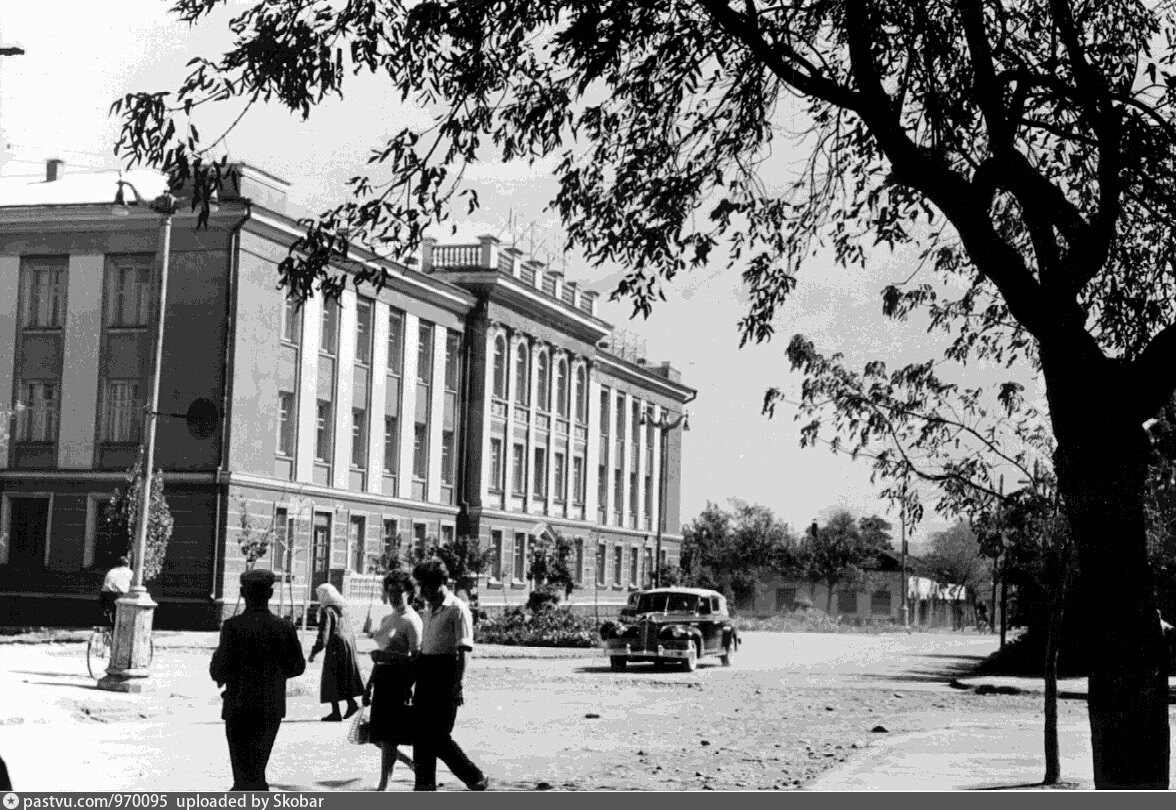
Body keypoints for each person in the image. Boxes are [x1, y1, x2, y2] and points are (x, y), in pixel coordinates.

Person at [210, 569, 306, 791]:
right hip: (270, 705)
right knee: (257, 770)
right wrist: (275, 674)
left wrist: (225, 672)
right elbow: (298, 666)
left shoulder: (232, 626)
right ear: (271, 594)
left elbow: (218, 670)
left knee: (243, 773)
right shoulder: (284, 627)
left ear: (243, 593)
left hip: (238, 705)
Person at [412, 559, 489, 792]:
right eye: (421, 586)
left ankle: (474, 776)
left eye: (427, 586)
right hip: (426, 672)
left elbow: (464, 650)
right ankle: (424, 786)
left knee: (437, 735)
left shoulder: (457, 609)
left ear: (441, 584)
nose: (423, 591)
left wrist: (459, 684)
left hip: (446, 673)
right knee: (421, 734)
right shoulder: (428, 609)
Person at [365, 569, 422, 790]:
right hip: (382, 678)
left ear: (409, 592)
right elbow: (380, 655)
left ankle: (384, 784)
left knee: (388, 735)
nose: (394, 597)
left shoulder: (411, 620)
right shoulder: (388, 617)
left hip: (399, 680)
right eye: (390, 592)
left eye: (399, 592)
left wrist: (389, 658)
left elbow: (416, 658)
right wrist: (369, 685)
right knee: (376, 735)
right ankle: (409, 762)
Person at [308, 582, 365, 721]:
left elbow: (324, 634)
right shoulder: (341, 609)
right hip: (348, 646)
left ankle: (336, 712)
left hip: (336, 647)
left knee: (332, 677)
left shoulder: (327, 611)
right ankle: (351, 704)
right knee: (343, 676)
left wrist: (314, 652)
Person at [99, 555, 133, 627]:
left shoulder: (111, 571)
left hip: (105, 594)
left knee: (106, 615)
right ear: (127, 564)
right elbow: (133, 585)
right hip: (118, 595)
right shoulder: (129, 572)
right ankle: (116, 629)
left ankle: (103, 630)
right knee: (119, 614)